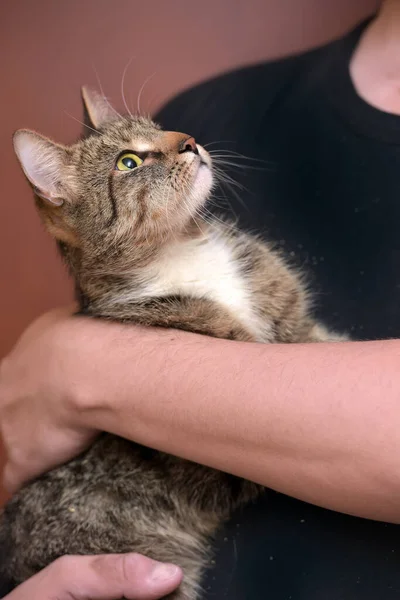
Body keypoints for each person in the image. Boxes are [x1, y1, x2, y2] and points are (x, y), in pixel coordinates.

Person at [2, 0, 400, 597]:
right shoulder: (216, 106)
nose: (182, 144)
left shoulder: (94, 348)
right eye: (135, 159)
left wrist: (70, 362)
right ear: (67, 205)